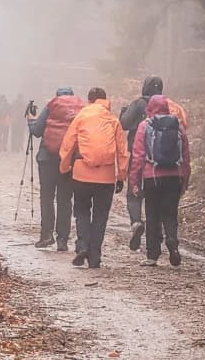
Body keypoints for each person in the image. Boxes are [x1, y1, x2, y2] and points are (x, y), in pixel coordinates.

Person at [59, 87, 127, 269]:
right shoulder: (113, 120)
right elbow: (122, 151)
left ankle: (82, 246)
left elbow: (68, 144)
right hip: (105, 177)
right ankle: (95, 256)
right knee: (100, 216)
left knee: (81, 211)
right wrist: (121, 176)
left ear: (89, 101)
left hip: (81, 173)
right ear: (105, 101)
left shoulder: (81, 117)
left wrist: (65, 168)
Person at [129, 94, 192, 268]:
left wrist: (134, 180)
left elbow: (138, 156)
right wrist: (185, 178)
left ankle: (152, 255)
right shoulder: (178, 126)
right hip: (174, 176)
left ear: (150, 107)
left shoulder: (145, 125)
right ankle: (172, 240)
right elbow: (186, 156)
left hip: (152, 177)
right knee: (170, 214)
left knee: (152, 215)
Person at [27, 87, 85, 251]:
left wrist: (30, 119)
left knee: (47, 198)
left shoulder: (51, 106)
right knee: (65, 200)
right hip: (68, 161)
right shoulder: (79, 110)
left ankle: (46, 236)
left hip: (47, 159)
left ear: (57, 97)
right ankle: (62, 240)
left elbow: (37, 131)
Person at [119, 76, 164, 251]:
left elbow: (124, 124)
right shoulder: (167, 105)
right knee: (156, 198)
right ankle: (157, 233)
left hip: (139, 156)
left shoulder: (138, 104)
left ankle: (136, 222)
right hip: (161, 161)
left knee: (134, 194)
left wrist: (123, 113)